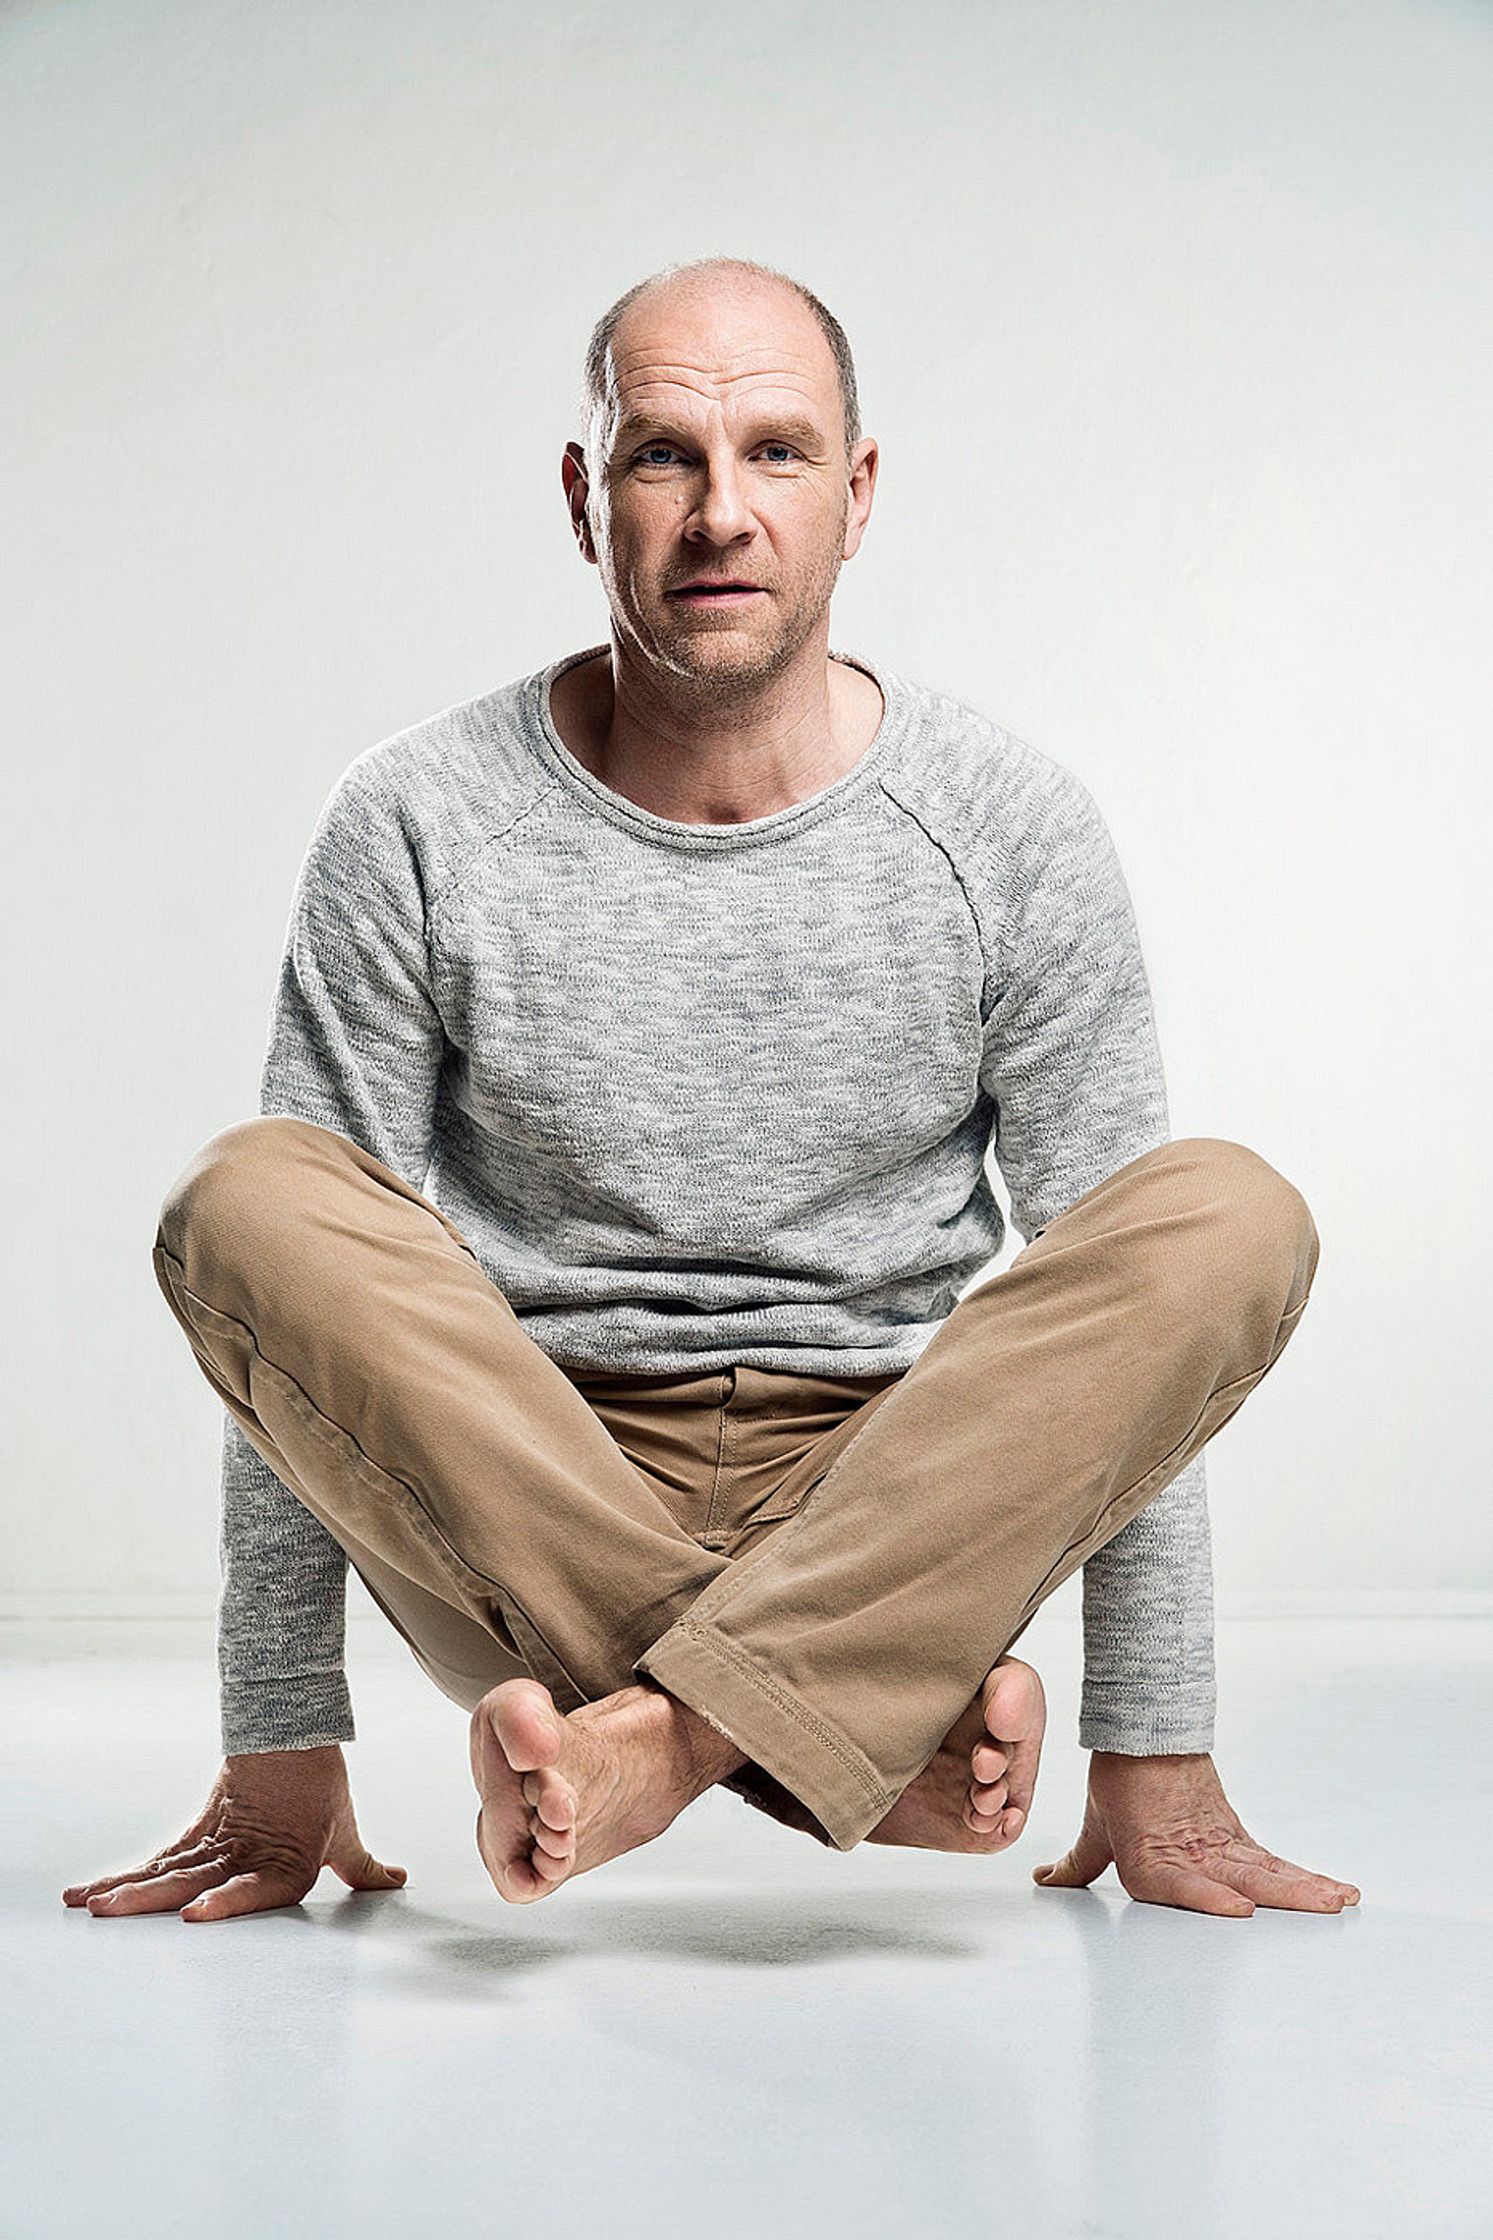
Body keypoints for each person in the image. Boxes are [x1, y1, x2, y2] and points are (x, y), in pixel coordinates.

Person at [63, 255, 1359, 1924]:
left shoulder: (1007, 825)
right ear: (583, 497)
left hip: (898, 1509)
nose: (718, 513)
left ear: (860, 491)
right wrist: (277, 1749)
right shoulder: (417, 818)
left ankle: (659, 1747)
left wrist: (1156, 1751)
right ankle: (848, 1751)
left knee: (1219, 1215)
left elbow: (1129, 1350)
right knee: (246, 1197)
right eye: (662, 453)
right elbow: (288, 1356)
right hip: (525, 1498)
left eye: (777, 453)